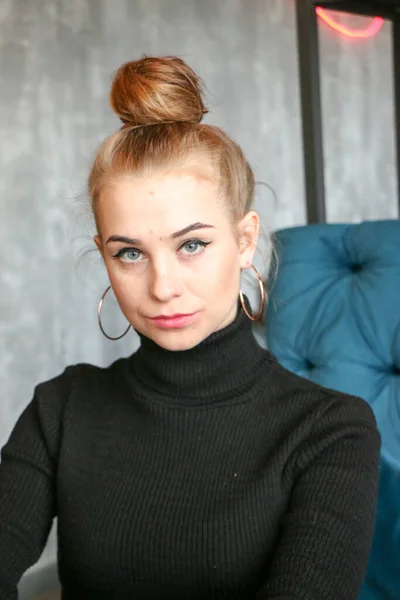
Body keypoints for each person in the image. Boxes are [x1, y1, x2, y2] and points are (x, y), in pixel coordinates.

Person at [0, 56, 380, 600]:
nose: (162, 286)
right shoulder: (59, 409)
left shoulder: (331, 431)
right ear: (104, 259)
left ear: (245, 240)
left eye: (192, 244)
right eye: (130, 253)